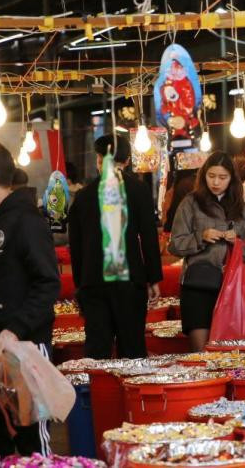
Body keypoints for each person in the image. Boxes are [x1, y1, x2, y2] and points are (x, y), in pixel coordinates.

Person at [0, 140, 60, 462]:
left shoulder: (27, 221)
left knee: (33, 441)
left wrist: (16, 328)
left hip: (26, 347)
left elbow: (48, 283)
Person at [68, 134, 162, 359]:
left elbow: (76, 247)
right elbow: (149, 237)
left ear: (99, 159)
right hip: (130, 281)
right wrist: (153, 278)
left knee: (98, 351)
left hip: (93, 283)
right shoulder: (139, 190)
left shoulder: (83, 197)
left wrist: (80, 284)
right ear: (128, 160)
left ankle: (100, 384)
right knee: (132, 348)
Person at [169, 151, 245, 352]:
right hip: (198, 284)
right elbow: (175, 245)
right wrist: (200, 237)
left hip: (232, 287)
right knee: (200, 353)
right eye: (211, 176)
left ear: (232, 179)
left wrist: (237, 243)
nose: (216, 182)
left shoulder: (243, 209)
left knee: (229, 353)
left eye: (222, 177)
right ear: (204, 175)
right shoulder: (190, 203)